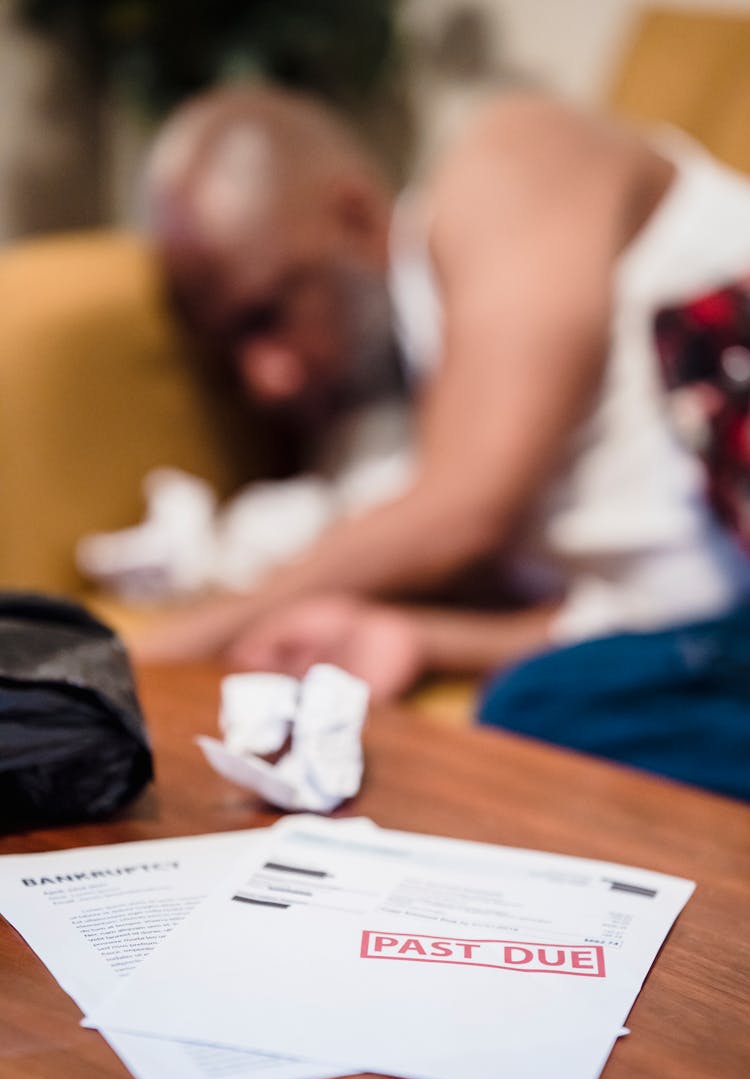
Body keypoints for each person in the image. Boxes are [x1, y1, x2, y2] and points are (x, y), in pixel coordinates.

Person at [137, 84, 750, 799]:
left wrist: (156, 651)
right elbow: (654, 613)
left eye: (269, 313)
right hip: (711, 640)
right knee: (540, 703)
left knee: (531, 713)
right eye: (229, 347)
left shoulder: (510, 159)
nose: (265, 380)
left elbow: (464, 507)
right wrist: (422, 636)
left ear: (355, 213)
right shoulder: (423, 395)